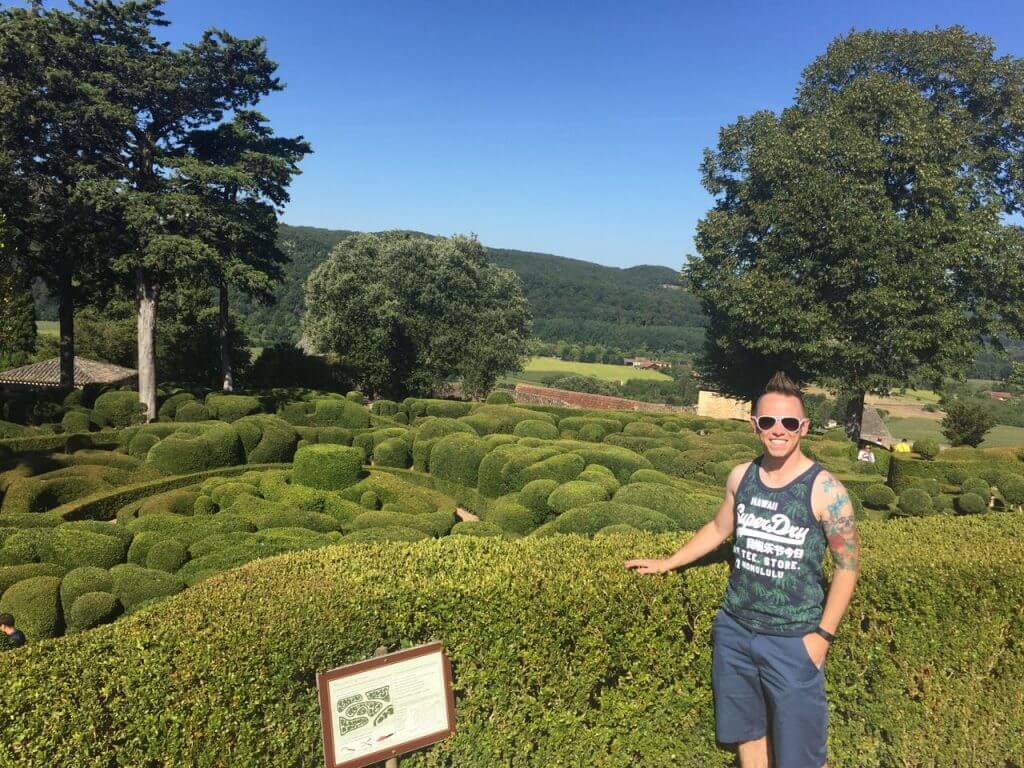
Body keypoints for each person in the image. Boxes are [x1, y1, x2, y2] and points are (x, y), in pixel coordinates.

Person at [625, 371, 860, 768]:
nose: (778, 430)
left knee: (802, 754)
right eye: (768, 421)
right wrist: (668, 562)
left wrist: (822, 637)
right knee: (748, 735)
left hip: (793, 638)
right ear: (755, 425)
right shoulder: (742, 477)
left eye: (789, 422)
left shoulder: (827, 491)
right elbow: (719, 527)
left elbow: (847, 568)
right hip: (735, 630)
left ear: (804, 427)